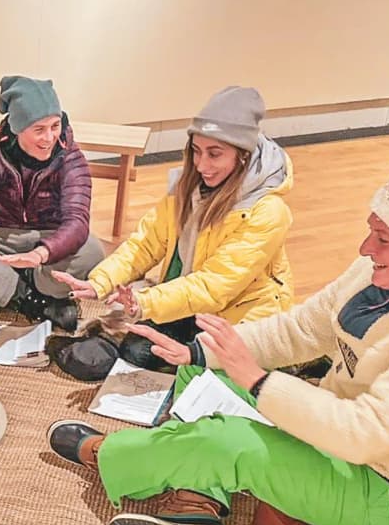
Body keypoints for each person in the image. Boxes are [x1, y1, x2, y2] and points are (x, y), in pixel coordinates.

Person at [47, 149, 389, 525]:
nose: (366, 248)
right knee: (205, 369)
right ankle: (196, 507)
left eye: (383, 239)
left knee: (229, 439)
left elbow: (365, 434)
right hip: (345, 441)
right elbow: (301, 329)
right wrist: (198, 350)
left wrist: (258, 382)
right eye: (371, 231)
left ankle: (108, 455)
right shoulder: (384, 269)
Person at [53, 86, 293, 374]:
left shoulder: (268, 211)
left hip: (237, 318)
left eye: (214, 154)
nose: (202, 165)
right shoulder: (188, 186)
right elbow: (146, 243)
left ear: (243, 155)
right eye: (196, 151)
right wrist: (100, 282)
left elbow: (213, 287)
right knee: (135, 352)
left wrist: (144, 302)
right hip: (189, 303)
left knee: (202, 375)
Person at [0, 76, 103, 332]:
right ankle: (30, 298)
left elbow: (77, 221)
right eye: (39, 129)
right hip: (2, 234)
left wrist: (40, 254)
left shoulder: (71, 157)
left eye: (55, 126)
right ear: (17, 128)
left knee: (93, 251)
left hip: (50, 237)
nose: (50, 137)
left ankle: (10, 286)